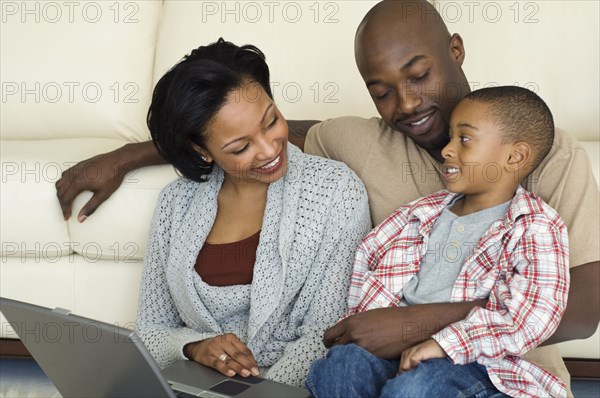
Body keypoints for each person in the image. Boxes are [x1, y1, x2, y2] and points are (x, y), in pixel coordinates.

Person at [55, 0, 599, 392]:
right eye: (381, 91)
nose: (407, 104)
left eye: (419, 74)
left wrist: (413, 322)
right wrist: (126, 156)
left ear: (455, 50)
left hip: (499, 372)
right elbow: (252, 133)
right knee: (335, 372)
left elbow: (583, 311)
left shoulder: (543, 151)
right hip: (389, 370)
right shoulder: (358, 141)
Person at [134, 38, 371, 388]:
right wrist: (194, 347)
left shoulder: (335, 191)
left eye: (271, 120)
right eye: (241, 146)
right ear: (202, 150)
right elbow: (151, 330)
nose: (269, 149)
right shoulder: (176, 203)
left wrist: (262, 394)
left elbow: (327, 332)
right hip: (191, 387)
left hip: (286, 388)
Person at [306, 86, 570, 398]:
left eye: (465, 139)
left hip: (479, 366)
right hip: (394, 355)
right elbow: (369, 262)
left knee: (415, 388)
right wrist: (366, 325)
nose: (447, 150)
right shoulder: (420, 213)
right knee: (340, 366)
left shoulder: (535, 226)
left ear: (514, 156)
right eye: (450, 138)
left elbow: (529, 318)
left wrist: (444, 344)